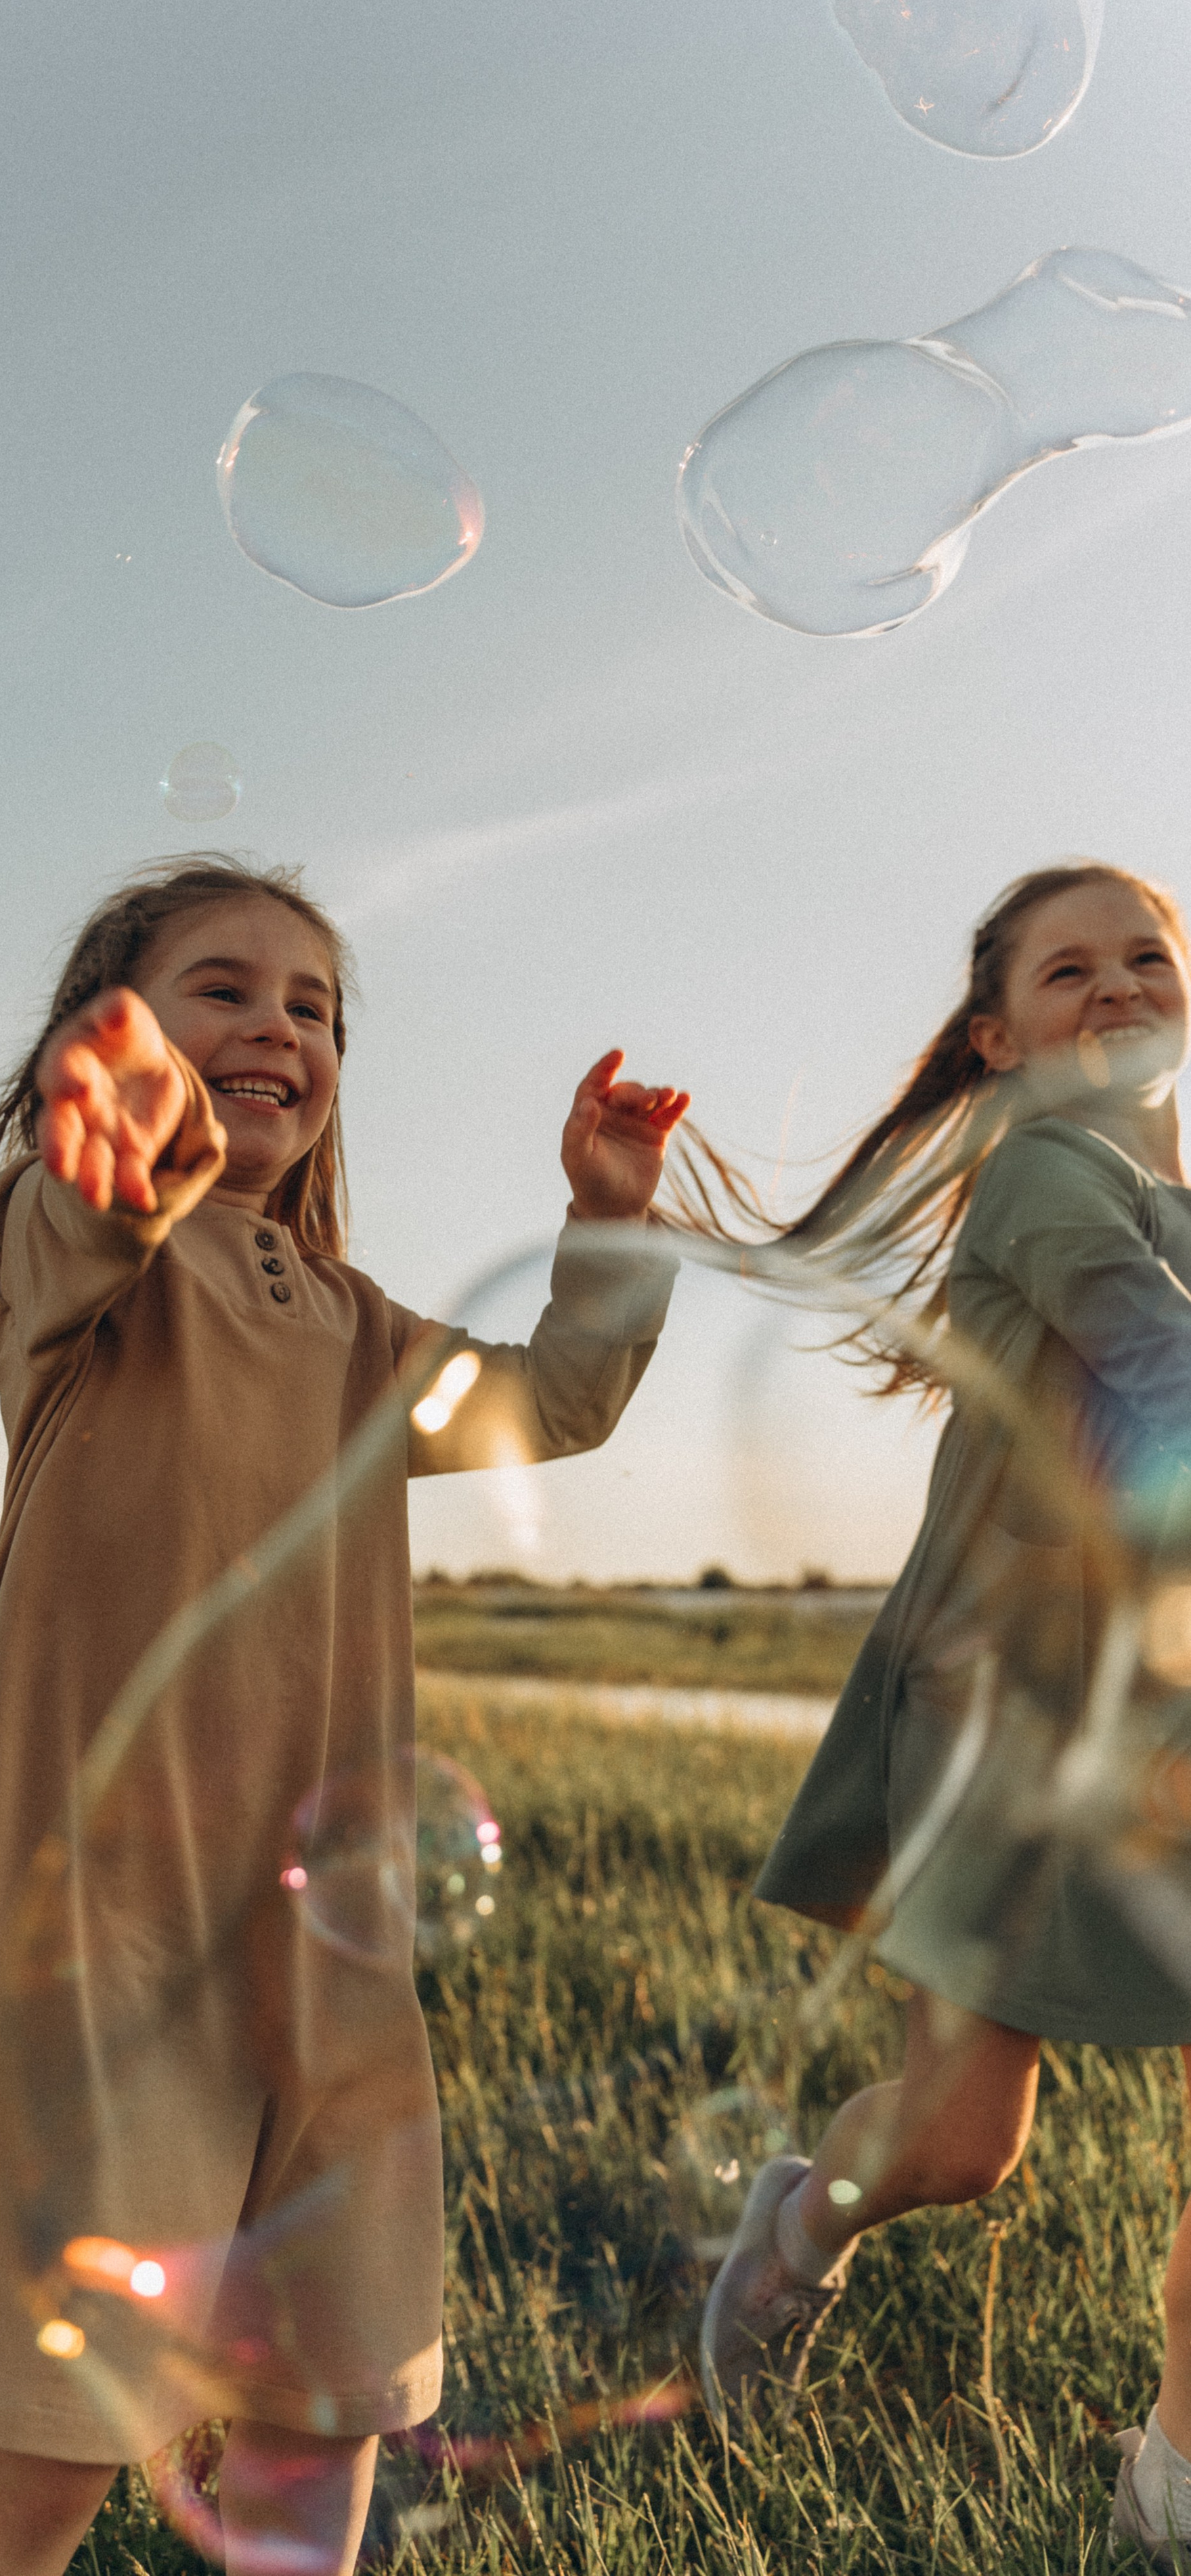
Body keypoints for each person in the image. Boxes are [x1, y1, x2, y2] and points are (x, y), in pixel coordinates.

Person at [0, 854, 689, 2576]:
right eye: (219, 990)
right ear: (107, 1037)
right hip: (105, 1939)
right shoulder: (81, 1249)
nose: (277, 1029)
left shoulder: (356, 1329)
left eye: (313, 1010)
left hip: (325, 1940)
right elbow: (95, 1202)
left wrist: (606, 1223)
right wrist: (119, 1139)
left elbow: (553, 1402)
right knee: (53, 2450)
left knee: (325, 2404)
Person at [692, 862, 1191, 2560]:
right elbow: (1157, 1362)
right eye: (1068, 971)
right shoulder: (1043, 1170)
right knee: (962, 2138)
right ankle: (790, 2240)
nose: (1116, 988)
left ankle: (1166, 2483)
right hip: (1008, 1708)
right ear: (997, 1038)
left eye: (1147, 957)